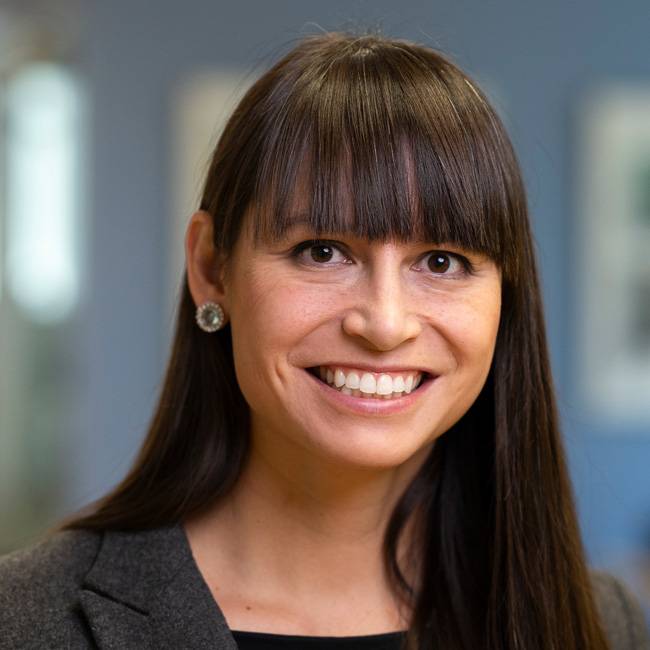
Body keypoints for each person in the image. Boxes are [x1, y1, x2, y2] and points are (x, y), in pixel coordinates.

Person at [1, 31, 649, 650]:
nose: (385, 323)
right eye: (323, 251)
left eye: (443, 262)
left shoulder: (601, 623)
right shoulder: (26, 619)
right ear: (211, 269)